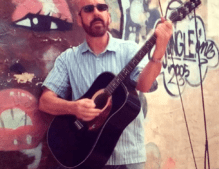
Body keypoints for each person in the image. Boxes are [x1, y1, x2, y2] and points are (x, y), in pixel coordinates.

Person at [39, 0, 173, 168]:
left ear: (108, 17)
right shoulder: (68, 59)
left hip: (128, 157)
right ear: (79, 19)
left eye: (102, 8)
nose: (96, 13)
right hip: (85, 157)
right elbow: (45, 102)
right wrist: (73, 108)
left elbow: (143, 85)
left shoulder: (130, 50)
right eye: (88, 9)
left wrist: (159, 52)